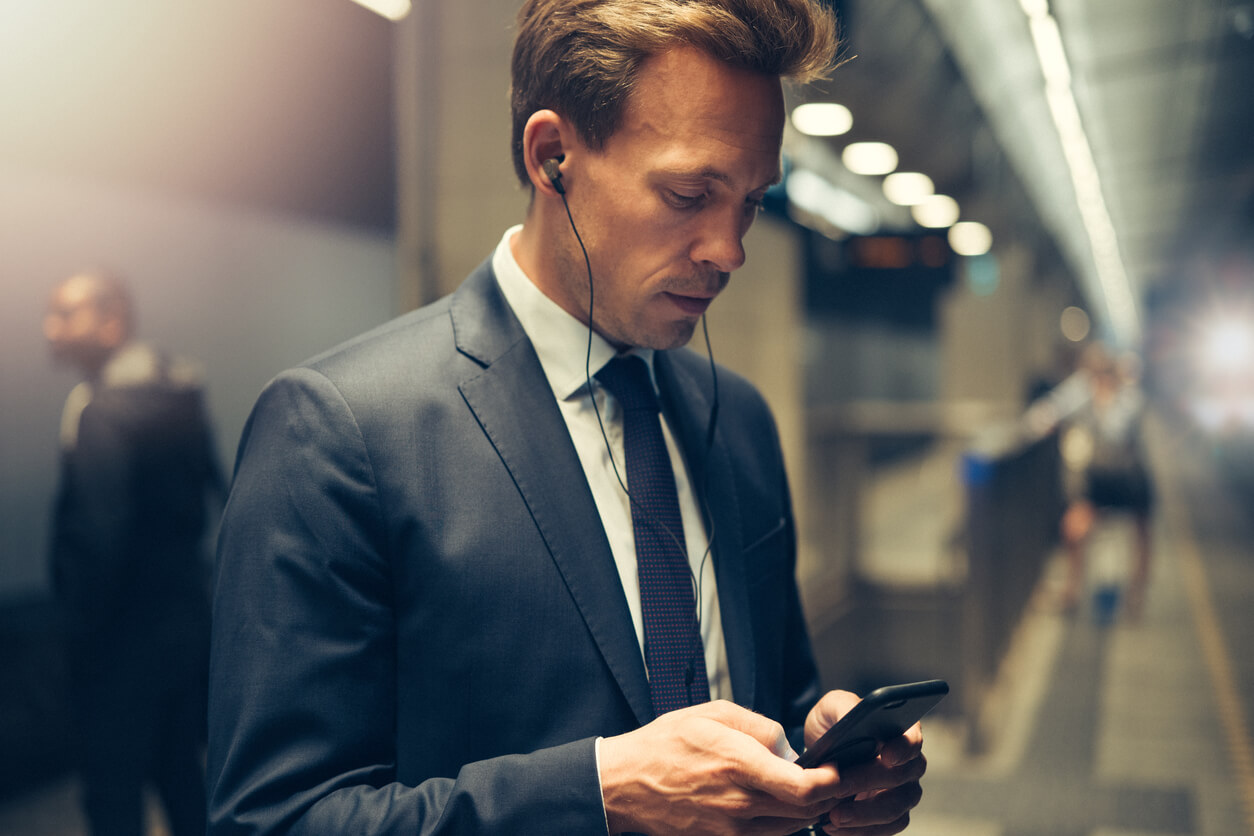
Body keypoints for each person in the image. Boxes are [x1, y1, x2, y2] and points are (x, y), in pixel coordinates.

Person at [207, 1, 929, 834]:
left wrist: (827, 777)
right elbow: (275, 818)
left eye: (752, 203)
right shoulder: (341, 432)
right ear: (554, 158)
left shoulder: (739, 425)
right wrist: (600, 795)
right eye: (690, 193)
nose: (728, 250)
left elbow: (774, 699)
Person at [44, 271, 221, 836]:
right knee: (180, 777)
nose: (52, 327)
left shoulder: (101, 412)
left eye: (66, 314)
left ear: (112, 321)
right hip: (181, 626)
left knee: (112, 792)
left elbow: (101, 531)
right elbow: (214, 488)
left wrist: (80, 630)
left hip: (117, 641)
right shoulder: (180, 397)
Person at [1026, 341, 1155, 620]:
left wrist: (1099, 406)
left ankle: (1136, 595)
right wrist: (1047, 423)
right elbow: (1047, 411)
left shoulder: (1130, 397)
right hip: (1099, 475)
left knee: (1142, 533)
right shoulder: (1081, 390)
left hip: (1130, 475)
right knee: (1074, 527)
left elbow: (1117, 434)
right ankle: (1072, 591)